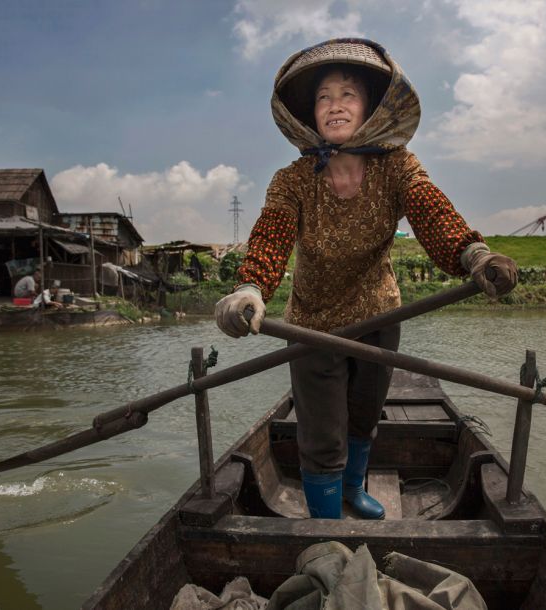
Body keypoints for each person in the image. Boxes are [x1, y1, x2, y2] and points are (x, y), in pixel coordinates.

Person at [215, 39, 518, 520]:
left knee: (363, 417)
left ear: (371, 106)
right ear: (309, 114)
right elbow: (270, 236)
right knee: (321, 432)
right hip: (312, 324)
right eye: (323, 97)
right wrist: (249, 288)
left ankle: (353, 488)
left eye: (348, 94)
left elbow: (430, 210)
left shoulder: (397, 166)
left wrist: (475, 255)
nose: (334, 105)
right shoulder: (292, 180)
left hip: (381, 314)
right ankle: (327, 531)